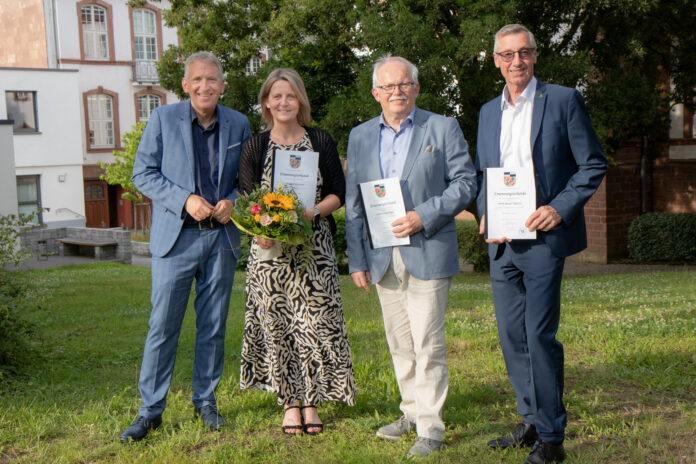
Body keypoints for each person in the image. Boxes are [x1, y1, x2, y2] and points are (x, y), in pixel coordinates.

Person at [476, 24, 607, 463]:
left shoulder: (564, 101)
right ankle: (529, 419)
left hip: (544, 239)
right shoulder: (486, 112)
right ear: (496, 61)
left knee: (538, 335)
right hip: (502, 243)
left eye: (524, 53)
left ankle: (552, 437)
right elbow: (483, 175)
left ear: (535, 56)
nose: (517, 62)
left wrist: (559, 207)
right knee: (512, 336)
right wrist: (484, 211)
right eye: (508, 55)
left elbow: (591, 164)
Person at [345, 55, 476, 457]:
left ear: (416, 88)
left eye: (404, 84)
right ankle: (412, 411)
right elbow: (353, 204)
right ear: (375, 93)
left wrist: (425, 215)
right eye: (388, 86)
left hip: (428, 248)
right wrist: (357, 259)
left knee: (428, 342)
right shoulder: (361, 135)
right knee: (400, 342)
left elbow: (466, 182)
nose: (396, 92)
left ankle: (431, 428)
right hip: (382, 255)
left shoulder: (442, 126)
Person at [120, 51, 251, 442]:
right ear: (185, 85)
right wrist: (183, 199)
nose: (205, 86)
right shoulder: (162, 119)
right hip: (176, 237)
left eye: (212, 80)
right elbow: (142, 172)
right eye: (198, 80)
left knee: (213, 325)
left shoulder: (239, 123)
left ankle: (205, 403)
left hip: (221, 237)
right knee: (162, 326)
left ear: (222, 85)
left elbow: (248, 180)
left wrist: (232, 199)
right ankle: (150, 412)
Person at [238, 68, 356, 436]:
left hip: (314, 252)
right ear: (266, 103)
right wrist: (260, 234)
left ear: (300, 101)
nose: (284, 103)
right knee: (279, 327)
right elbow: (246, 200)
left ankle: (312, 401)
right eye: (276, 96)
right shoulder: (255, 146)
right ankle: (290, 403)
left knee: (315, 325)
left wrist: (313, 212)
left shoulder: (320, 140)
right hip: (270, 257)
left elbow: (339, 190)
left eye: (290, 96)